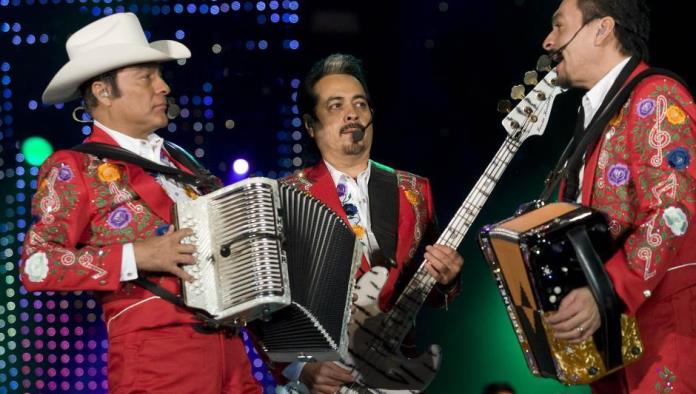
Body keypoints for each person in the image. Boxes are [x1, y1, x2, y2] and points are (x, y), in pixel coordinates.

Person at [20, 13, 261, 394]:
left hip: (233, 356)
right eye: (146, 77)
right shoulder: (74, 166)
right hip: (155, 363)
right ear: (103, 91)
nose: (163, 87)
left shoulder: (184, 161)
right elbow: (37, 265)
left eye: (159, 76)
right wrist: (136, 256)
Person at [277, 53, 464, 394]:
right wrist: (301, 368)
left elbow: (433, 294)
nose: (352, 114)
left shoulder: (413, 190)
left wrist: (448, 279)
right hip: (325, 382)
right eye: (335, 106)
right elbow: (263, 303)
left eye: (360, 104)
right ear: (310, 125)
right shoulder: (286, 196)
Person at [541, 0, 696, 392]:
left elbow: (673, 212)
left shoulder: (656, 96)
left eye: (559, 27)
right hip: (620, 344)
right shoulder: (599, 115)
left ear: (602, 29)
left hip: (667, 340)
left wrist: (604, 290)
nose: (548, 41)